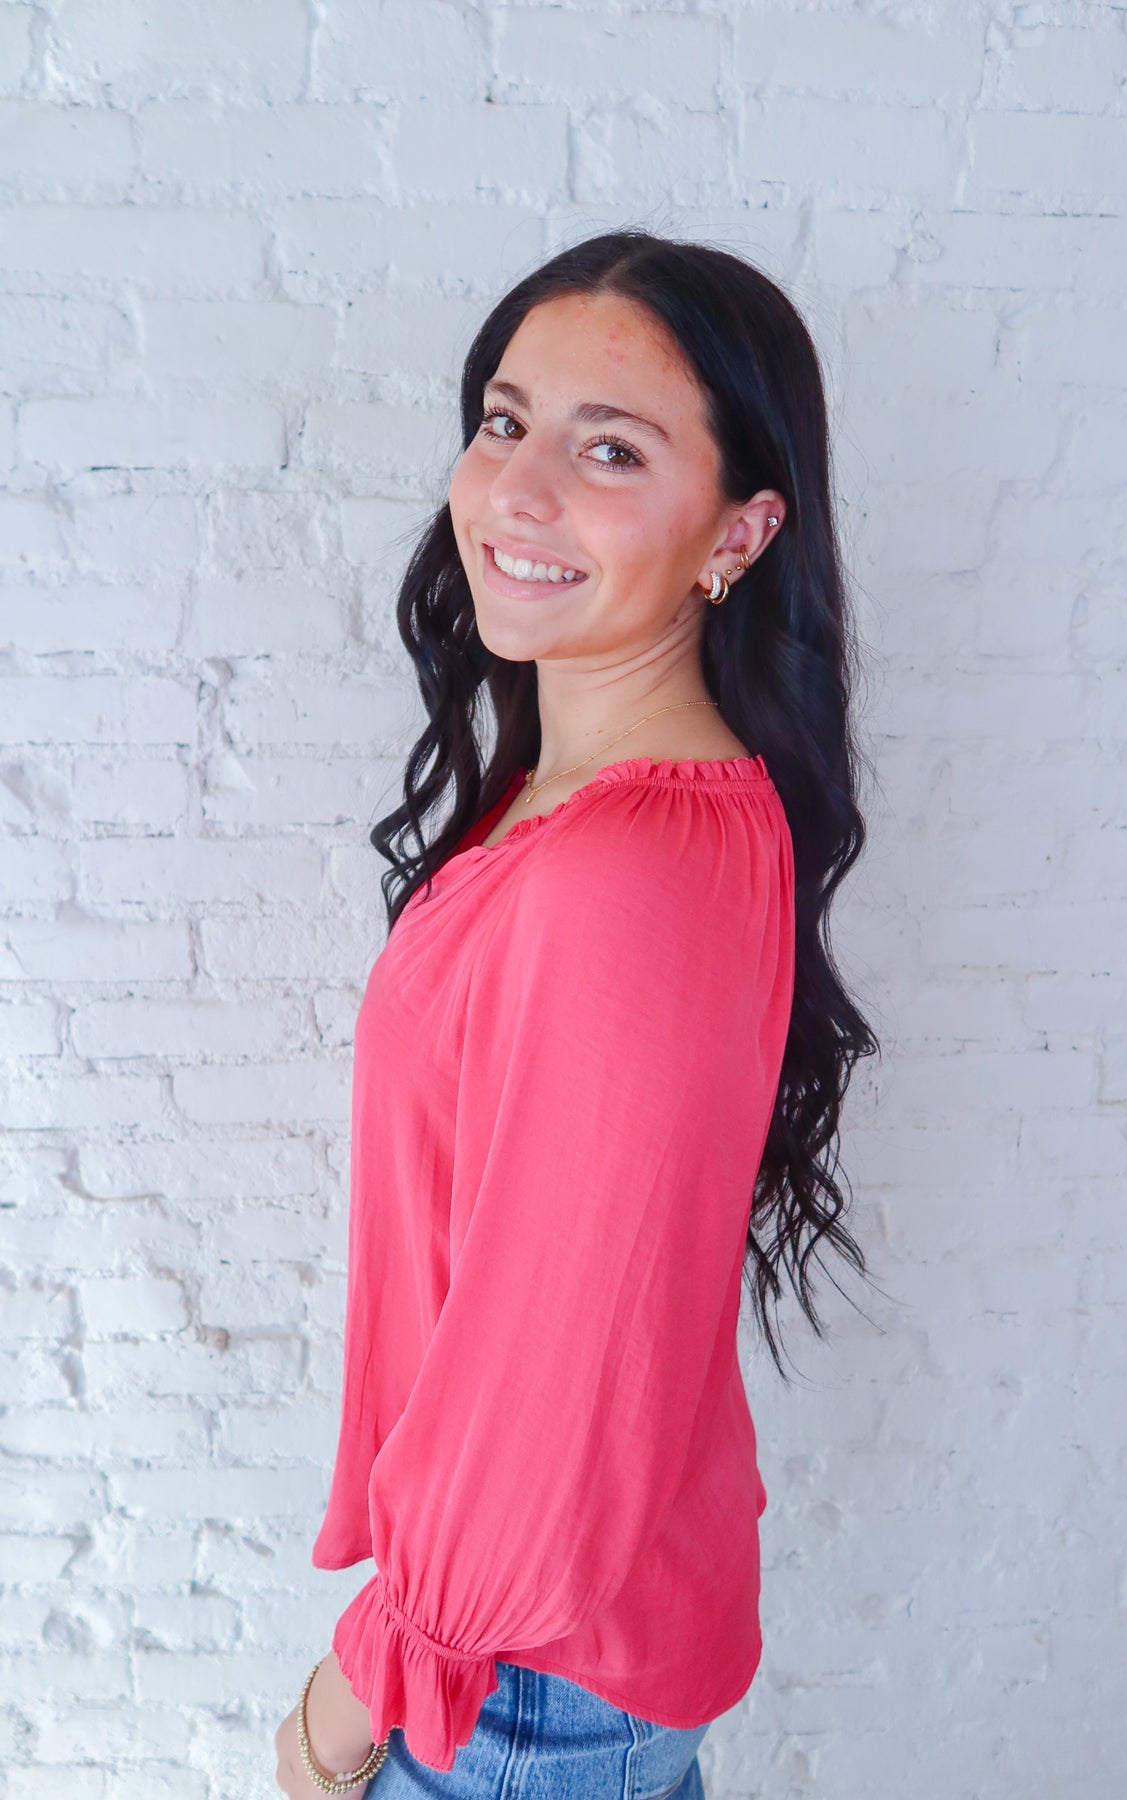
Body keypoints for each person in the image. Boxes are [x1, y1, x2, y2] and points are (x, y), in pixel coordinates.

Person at [274, 229, 877, 1798]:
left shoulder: (627, 873)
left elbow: (550, 1380)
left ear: (738, 534)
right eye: (505, 422)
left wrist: (352, 1698)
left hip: (514, 1688)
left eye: (611, 450)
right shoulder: (598, 803)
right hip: (552, 1661)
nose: (517, 493)